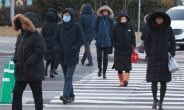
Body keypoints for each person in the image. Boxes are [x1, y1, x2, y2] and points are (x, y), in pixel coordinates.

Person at [12, 12, 46, 110]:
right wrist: (16, 59)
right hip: (21, 71)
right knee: (17, 93)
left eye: (26, 23)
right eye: (22, 23)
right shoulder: (20, 36)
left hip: (34, 71)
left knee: (37, 96)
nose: (23, 25)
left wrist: (28, 63)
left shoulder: (37, 36)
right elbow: (16, 49)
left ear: (31, 24)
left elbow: (40, 52)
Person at [144, 7, 176, 110]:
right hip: (153, 58)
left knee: (163, 81)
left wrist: (171, 53)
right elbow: (146, 43)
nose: (159, 20)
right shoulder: (150, 29)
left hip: (164, 58)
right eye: (157, 18)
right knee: (154, 81)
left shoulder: (168, 29)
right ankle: (154, 99)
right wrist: (149, 53)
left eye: (160, 18)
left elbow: (173, 43)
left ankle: (161, 101)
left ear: (163, 19)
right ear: (154, 19)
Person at [53, 8, 84, 104]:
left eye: (68, 14)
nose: (66, 16)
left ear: (71, 16)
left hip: (72, 55)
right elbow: (55, 39)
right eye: (65, 14)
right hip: (62, 55)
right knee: (67, 77)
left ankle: (65, 96)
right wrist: (57, 48)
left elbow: (81, 40)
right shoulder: (59, 27)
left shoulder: (76, 27)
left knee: (68, 77)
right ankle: (72, 95)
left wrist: (74, 48)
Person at [111, 12, 136, 87]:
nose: (123, 20)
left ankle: (126, 80)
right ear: (119, 19)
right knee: (119, 67)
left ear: (127, 19)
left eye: (124, 19)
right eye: (122, 19)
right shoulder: (116, 27)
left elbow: (133, 37)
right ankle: (121, 81)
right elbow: (112, 38)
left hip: (128, 50)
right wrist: (115, 45)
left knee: (127, 66)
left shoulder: (130, 27)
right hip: (119, 50)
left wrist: (133, 45)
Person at [91, 5, 114, 79]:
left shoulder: (110, 19)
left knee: (106, 57)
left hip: (107, 41)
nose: (105, 12)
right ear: (101, 12)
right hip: (99, 41)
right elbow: (93, 28)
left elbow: (113, 29)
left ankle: (104, 72)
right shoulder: (97, 19)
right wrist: (96, 37)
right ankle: (99, 68)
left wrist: (111, 37)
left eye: (107, 11)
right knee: (99, 56)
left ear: (109, 12)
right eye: (104, 11)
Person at [41, 8, 58, 78]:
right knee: (53, 59)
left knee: (48, 58)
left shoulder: (45, 24)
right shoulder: (55, 25)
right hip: (53, 43)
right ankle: (51, 72)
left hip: (46, 43)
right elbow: (57, 34)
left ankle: (45, 68)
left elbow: (43, 33)